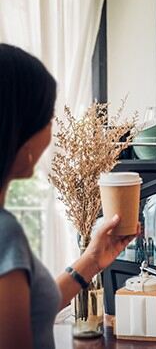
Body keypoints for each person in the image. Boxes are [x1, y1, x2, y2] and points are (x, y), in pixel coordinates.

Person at [0, 44, 137, 349]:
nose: (52, 134)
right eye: (47, 119)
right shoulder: (5, 233)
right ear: (18, 129)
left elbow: (32, 310)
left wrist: (92, 259)